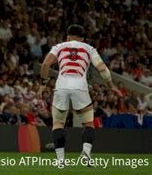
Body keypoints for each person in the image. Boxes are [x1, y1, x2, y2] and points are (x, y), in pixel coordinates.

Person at [36, 24, 122, 166]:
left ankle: (61, 160)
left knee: (58, 123)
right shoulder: (89, 48)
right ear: (82, 38)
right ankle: (86, 154)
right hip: (80, 86)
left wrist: (43, 84)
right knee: (88, 123)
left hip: (62, 85)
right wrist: (111, 86)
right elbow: (102, 68)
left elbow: (45, 65)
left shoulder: (59, 46)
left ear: (68, 36)